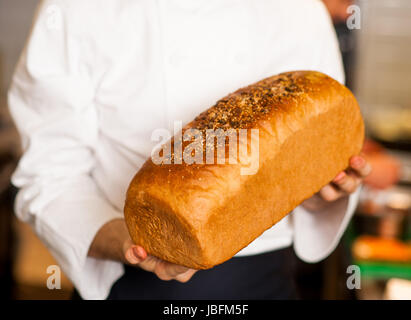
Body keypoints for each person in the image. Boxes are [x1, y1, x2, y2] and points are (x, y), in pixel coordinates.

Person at [8, 0, 371, 300]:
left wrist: (321, 191)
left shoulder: (298, 9)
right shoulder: (76, 9)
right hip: (129, 282)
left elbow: (318, 139)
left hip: (263, 284)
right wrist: (128, 242)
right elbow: (49, 175)